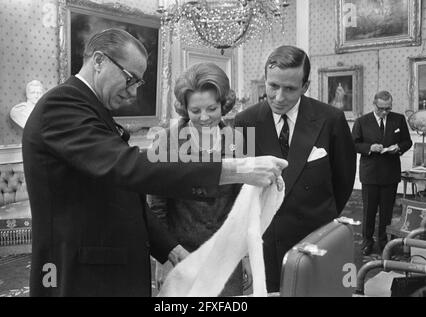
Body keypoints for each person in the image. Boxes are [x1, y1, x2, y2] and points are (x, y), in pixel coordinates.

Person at [22, 28, 287, 297]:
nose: (134, 93)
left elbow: (124, 196)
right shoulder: (62, 105)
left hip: (111, 271)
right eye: (130, 79)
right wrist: (236, 169)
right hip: (81, 275)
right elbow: (131, 168)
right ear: (99, 61)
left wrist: (171, 249)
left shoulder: (92, 110)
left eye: (138, 83)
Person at [234, 45, 356, 292]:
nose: (279, 97)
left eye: (289, 89)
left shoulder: (330, 119)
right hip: (266, 243)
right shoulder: (245, 121)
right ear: (265, 80)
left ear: (305, 86)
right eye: (273, 86)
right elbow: (241, 184)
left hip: (315, 239)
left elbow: (343, 182)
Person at [148, 62, 250, 296]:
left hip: (226, 257)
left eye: (212, 109)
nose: (204, 118)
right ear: (184, 109)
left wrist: (245, 255)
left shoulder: (238, 141)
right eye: (195, 111)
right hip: (181, 257)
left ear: (223, 105)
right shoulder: (165, 143)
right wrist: (163, 259)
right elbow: (157, 208)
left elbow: (242, 203)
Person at [352, 91, 412, 255]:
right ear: (374, 104)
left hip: (390, 174)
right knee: (369, 212)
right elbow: (354, 144)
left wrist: (398, 148)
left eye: (388, 108)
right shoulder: (362, 121)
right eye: (381, 109)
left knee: (387, 212)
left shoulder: (398, 119)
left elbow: (407, 141)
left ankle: (385, 243)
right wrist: (369, 148)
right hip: (370, 174)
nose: (385, 112)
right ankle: (367, 242)